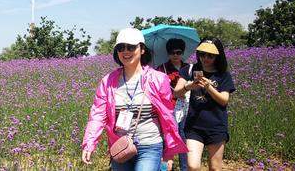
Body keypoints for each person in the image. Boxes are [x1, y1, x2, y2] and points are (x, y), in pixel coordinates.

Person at [81, 28, 188, 170]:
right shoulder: (108, 81)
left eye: (131, 47)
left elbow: (168, 116)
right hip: (120, 146)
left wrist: (169, 151)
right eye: (120, 47)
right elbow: (97, 115)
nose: (125, 51)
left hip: (150, 145)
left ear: (142, 49)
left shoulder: (158, 79)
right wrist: (89, 143)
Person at [173, 38, 236, 171]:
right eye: (202, 54)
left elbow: (224, 100)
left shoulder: (223, 75)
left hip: (216, 126)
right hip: (193, 126)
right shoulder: (189, 70)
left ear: (217, 56)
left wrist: (208, 87)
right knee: (193, 166)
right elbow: (176, 93)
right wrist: (189, 86)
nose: (205, 58)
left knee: (215, 168)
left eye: (210, 55)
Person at [156, 38, 189, 171]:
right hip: (169, 108)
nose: (175, 55)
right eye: (172, 52)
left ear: (182, 53)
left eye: (178, 52)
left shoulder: (188, 68)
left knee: (182, 136)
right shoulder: (161, 69)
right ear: (168, 53)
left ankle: (184, 167)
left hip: (186, 107)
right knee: (168, 137)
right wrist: (173, 93)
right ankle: (165, 167)